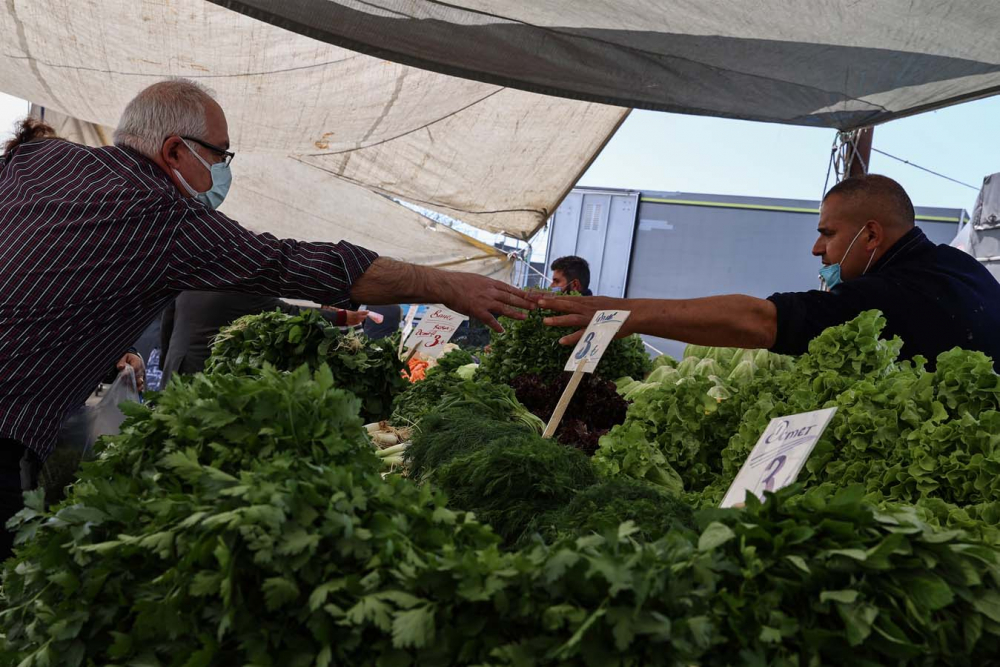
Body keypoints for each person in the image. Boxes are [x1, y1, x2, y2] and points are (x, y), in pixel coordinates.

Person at [0, 78, 531, 558]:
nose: (224, 170)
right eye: (221, 154)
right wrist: (447, 285)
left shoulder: (40, 158)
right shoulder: (165, 215)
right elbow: (300, 264)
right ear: (173, 150)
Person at [537, 175, 1000, 368]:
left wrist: (626, 313)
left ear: (872, 235)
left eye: (829, 234)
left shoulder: (888, 294)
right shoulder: (960, 267)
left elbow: (761, 320)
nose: (818, 249)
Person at [158, 291, 370, 387]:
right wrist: (342, 317)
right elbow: (289, 313)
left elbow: (167, 322)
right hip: (200, 372)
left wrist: (165, 361)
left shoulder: (193, 280)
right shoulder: (241, 288)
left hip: (174, 363)